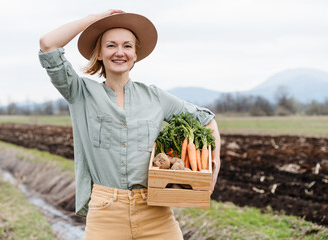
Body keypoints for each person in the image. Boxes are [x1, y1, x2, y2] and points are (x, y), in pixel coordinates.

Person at [38, 9, 221, 240]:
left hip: (155, 212)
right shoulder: (80, 93)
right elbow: (47, 45)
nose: (119, 52)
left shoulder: (155, 97)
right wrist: (93, 20)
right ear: (100, 53)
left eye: (127, 46)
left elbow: (206, 119)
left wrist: (216, 160)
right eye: (111, 45)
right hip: (105, 213)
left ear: (135, 54)